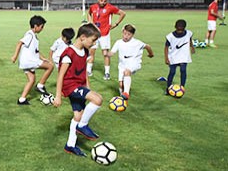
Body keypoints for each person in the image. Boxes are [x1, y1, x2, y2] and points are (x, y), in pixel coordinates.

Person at [53, 23, 103, 157]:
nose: (93, 44)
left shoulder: (85, 51)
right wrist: (58, 96)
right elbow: (60, 75)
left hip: (80, 85)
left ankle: (70, 145)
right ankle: (82, 126)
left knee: (78, 116)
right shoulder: (68, 53)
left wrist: (87, 86)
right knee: (98, 99)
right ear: (82, 37)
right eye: (93, 40)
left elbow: (84, 71)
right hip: (71, 86)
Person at [10, 15, 54, 105]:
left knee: (32, 80)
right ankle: (40, 85)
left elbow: (36, 51)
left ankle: (22, 99)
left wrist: (44, 58)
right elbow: (19, 43)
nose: (42, 29)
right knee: (50, 66)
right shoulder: (30, 35)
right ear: (35, 26)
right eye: (41, 26)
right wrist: (15, 56)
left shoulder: (34, 36)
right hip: (29, 61)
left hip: (26, 62)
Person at [108, 24, 154, 100]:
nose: (126, 36)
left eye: (129, 34)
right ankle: (122, 98)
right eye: (124, 33)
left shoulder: (137, 43)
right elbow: (112, 52)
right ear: (122, 32)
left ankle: (126, 93)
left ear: (132, 35)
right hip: (122, 65)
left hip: (134, 63)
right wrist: (108, 54)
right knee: (121, 84)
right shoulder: (118, 42)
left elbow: (147, 46)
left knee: (127, 72)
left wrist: (151, 54)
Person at [87, 0, 126, 80]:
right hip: (94, 33)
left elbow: (123, 13)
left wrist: (116, 24)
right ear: (98, 0)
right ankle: (88, 71)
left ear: (107, 1)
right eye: (101, 1)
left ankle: (107, 73)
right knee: (91, 52)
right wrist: (90, 22)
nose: (103, 2)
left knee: (105, 54)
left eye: (105, 1)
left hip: (104, 34)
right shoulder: (93, 7)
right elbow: (89, 13)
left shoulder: (110, 7)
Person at [165, 19, 194, 94]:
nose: (179, 31)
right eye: (178, 29)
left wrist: (192, 46)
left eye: (181, 30)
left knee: (183, 70)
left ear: (184, 28)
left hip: (183, 56)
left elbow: (190, 38)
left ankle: (182, 87)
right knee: (172, 72)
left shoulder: (188, 33)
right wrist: (166, 58)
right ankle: (168, 88)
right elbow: (166, 47)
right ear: (175, 27)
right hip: (173, 56)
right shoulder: (170, 36)